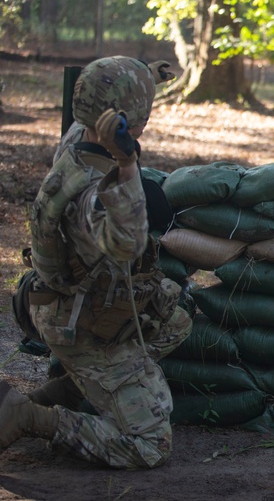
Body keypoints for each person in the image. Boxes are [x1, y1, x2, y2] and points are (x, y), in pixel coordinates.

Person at [0, 56, 191, 469]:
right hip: (83, 324)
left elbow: (98, 105)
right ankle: (31, 416)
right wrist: (126, 165)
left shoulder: (76, 143)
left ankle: (65, 392)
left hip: (63, 303)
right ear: (130, 121)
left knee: (174, 319)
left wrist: (143, 76)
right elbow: (126, 243)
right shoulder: (93, 192)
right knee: (150, 444)